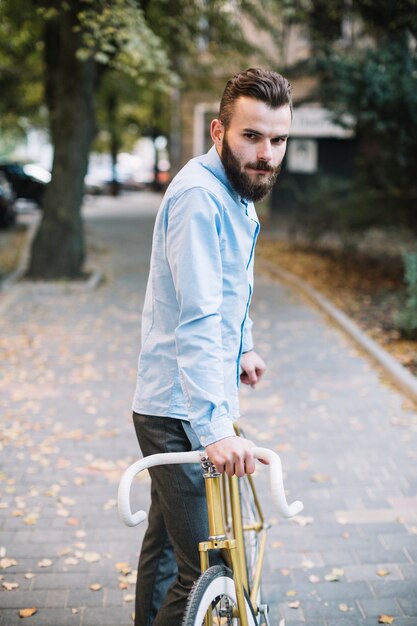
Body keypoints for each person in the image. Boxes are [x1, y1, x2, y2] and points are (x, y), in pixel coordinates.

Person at [131, 67, 293, 626]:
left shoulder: (235, 189)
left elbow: (231, 286)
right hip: (181, 409)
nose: (267, 153)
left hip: (181, 399)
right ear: (219, 133)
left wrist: (244, 344)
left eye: (277, 139)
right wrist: (215, 430)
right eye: (252, 136)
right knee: (207, 568)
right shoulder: (202, 197)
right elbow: (199, 319)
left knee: (165, 551)